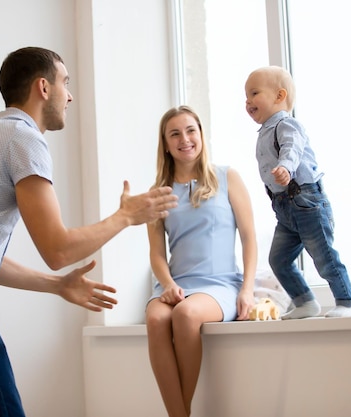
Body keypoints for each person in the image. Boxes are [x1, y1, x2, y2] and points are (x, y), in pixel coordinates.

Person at [0, 46, 178, 417]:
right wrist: (124, 217)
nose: (69, 95)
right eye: (65, 83)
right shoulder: (24, 138)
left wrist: (57, 285)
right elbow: (57, 250)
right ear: (43, 87)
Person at [145, 105, 257, 417]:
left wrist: (247, 290)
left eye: (191, 130)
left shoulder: (227, 177)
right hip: (174, 285)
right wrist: (167, 285)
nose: (185, 139)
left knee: (185, 315)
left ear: (201, 135)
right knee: (155, 319)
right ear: (166, 143)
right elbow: (156, 253)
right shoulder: (157, 193)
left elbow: (249, 237)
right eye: (175, 134)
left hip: (220, 284)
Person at [244, 65, 351, 319]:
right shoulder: (264, 130)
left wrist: (285, 166)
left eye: (254, 93)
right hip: (285, 209)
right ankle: (305, 301)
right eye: (246, 96)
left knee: (324, 255)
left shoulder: (287, 124)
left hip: (306, 201)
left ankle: (347, 301)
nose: (248, 101)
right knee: (279, 259)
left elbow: (292, 148)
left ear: (279, 96)